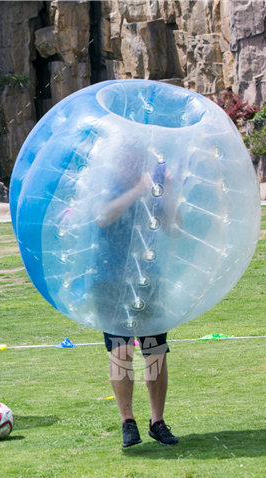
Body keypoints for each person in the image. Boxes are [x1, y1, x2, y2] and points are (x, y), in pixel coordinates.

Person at [92, 154, 179, 448]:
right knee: (122, 351)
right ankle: (127, 421)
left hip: (147, 280)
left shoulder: (153, 187)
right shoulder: (109, 184)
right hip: (110, 281)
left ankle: (157, 421)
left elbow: (173, 228)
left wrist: (170, 191)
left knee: (155, 352)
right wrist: (137, 191)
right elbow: (102, 215)